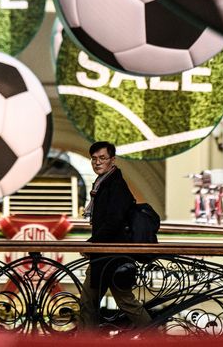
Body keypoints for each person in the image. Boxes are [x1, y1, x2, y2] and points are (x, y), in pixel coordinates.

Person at [79, 141, 151, 331]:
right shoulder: (104, 183)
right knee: (89, 302)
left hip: (112, 257)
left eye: (102, 158)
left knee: (124, 302)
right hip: (104, 256)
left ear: (112, 160)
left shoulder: (115, 185)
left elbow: (114, 221)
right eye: (94, 159)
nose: (97, 162)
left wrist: (91, 243)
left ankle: (155, 336)